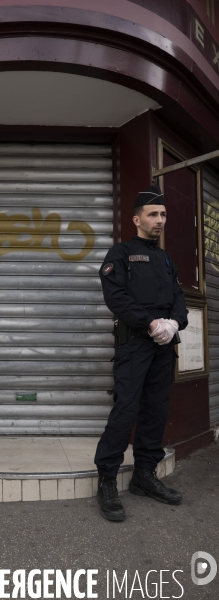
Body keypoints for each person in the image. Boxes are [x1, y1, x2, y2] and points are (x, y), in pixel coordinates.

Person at [94, 185, 188, 521]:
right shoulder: (120, 254)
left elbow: (179, 300)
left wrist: (175, 324)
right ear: (137, 219)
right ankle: (106, 478)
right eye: (153, 214)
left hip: (164, 347)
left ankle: (144, 475)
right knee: (125, 409)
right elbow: (115, 297)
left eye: (163, 214)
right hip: (135, 344)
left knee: (156, 410)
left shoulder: (165, 259)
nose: (160, 220)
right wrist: (149, 323)